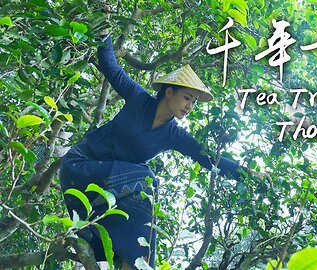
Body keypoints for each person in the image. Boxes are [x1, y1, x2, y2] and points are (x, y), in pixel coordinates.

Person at [59, 30, 268, 269]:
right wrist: (105, 32)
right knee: (147, 179)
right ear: (169, 92)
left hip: (104, 188)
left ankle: (133, 262)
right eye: (187, 98)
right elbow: (111, 67)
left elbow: (209, 158)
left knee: (144, 205)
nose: (189, 106)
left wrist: (248, 173)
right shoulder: (139, 99)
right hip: (79, 167)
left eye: (194, 102)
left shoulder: (174, 134)